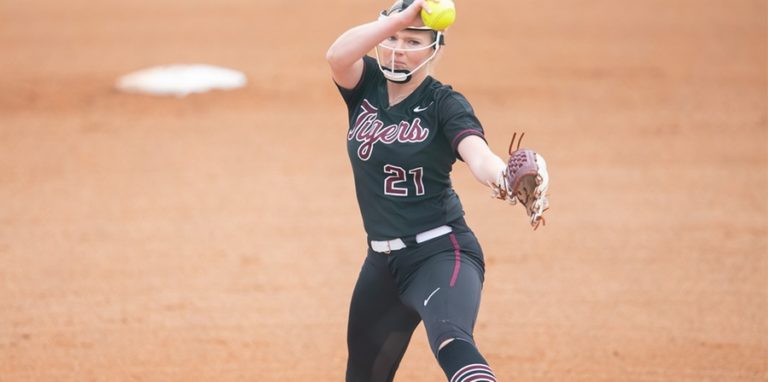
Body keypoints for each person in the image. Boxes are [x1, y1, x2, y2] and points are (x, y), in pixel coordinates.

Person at [326, 0, 549, 380]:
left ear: (434, 49)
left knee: (451, 339)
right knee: (363, 375)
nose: (398, 48)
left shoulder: (444, 104)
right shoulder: (366, 87)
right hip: (381, 264)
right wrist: (399, 19)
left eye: (413, 42)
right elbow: (337, 56)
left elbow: (478, 156)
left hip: (440, 254)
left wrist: (505, 178)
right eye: (392, 38)